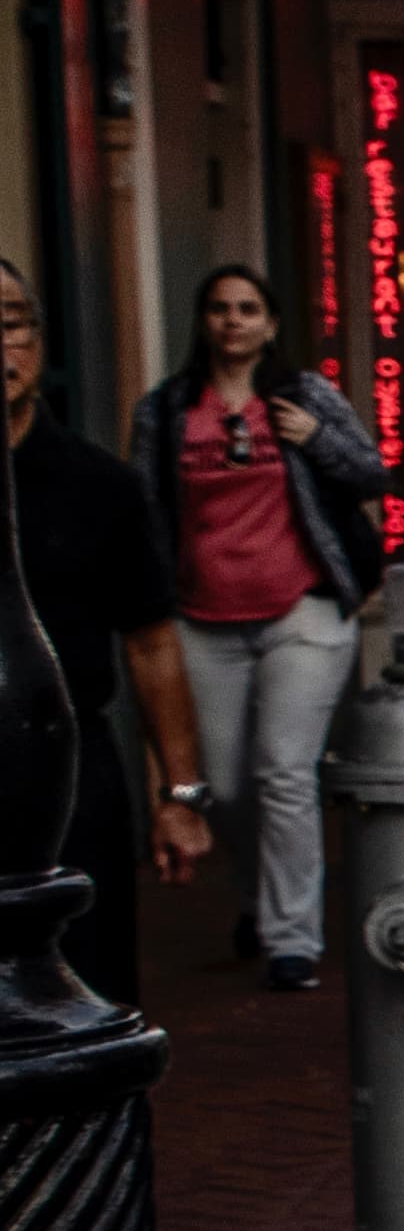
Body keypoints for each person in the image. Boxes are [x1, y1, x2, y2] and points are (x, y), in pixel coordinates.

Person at [128, 262, 380, 990]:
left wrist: (312, 439)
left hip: (300, 608)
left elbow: (370, 473)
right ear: (203, 322)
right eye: (219, 308)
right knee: (227, 784)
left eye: (247, 309)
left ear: (270, 324)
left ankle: (292, 937)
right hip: (204, 618)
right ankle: (255, 898)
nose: (232, 320)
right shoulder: (168, 409)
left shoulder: (305, 396)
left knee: (283, 770)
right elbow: (145, 508)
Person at [1, 256, 214, 1010]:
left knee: (87, 985)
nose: (3, 349)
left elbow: (152, 642)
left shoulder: (100, 485)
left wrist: (180, 792)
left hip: (72, 769)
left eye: (12, 325)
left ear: (39, 341)